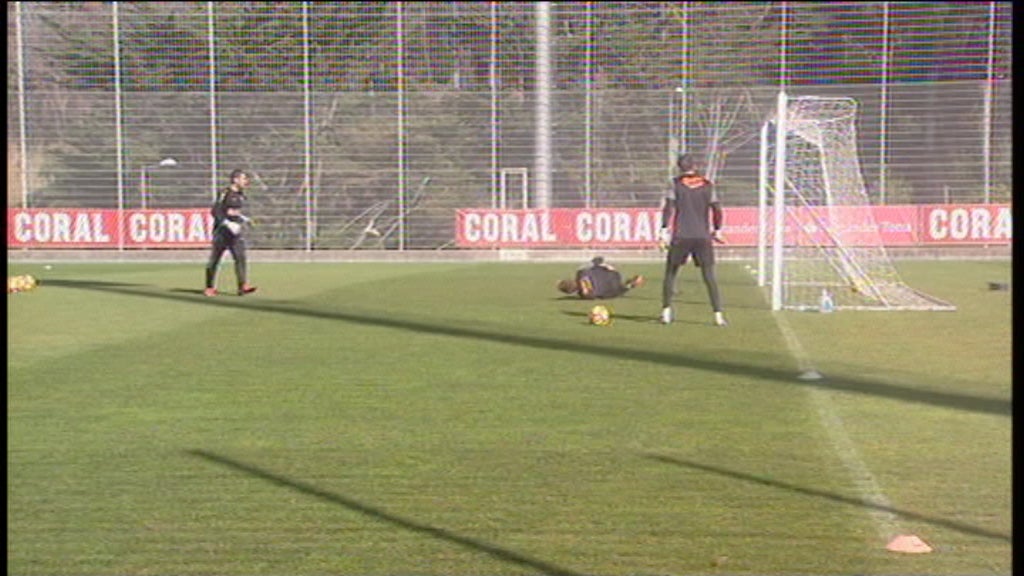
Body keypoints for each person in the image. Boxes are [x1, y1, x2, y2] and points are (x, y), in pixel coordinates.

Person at [659, 154, 726, 326]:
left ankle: (666, 311)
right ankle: (718, 315)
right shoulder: (707, 185)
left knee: (671, 274)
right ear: (694, 166)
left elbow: (669, 207)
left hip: (681, 235)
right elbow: (717, 209)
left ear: (679, 167)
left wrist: (664, 230)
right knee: (709, 276)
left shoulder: (675, 184)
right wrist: (717, 230)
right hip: (702, 236)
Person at [204, 169, 257, 297]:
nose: (246, 182)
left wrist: (244, 219)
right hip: (222, 232)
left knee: (240, 257)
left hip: (235, 233)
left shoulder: (240, 194)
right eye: (244, 179)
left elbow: (234, 212)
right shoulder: (225, 193)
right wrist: (227, 223)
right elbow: (216, 211)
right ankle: (209, 287)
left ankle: (242, 286)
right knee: (215, 260)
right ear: (235, 179)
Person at [557, 256, 645, 300]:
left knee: (609, 294)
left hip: (615, 288)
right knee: (597, 266)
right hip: (612, 273)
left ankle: (629, 284)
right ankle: (629, 284)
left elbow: (591, 296)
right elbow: (598, 259)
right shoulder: (580, 272)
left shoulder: (584, 295)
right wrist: (600, 263)